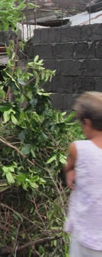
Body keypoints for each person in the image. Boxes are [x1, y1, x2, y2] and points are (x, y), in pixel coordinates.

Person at [64, 92, 102, 256]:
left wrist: (69, 172)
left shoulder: (78, 148)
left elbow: (67, 168)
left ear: (87, 123)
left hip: (85, 235)